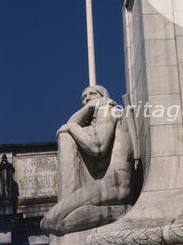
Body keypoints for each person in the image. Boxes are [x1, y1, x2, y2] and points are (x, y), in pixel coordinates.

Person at [41, 85, 134, 236]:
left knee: (51, 221)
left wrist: (72, 127)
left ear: (103, 96)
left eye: (92, 94)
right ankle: (118, 212)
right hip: (103, 188)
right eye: (84, 97)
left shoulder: (108, 109)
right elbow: (66, 128)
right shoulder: (93, 122)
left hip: (115, 186)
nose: (87, 98)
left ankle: (122, 211)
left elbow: (98, 147)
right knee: (52, 223)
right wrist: (86, 111)